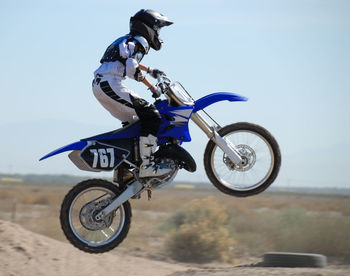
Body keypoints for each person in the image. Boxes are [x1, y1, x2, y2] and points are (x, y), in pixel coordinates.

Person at [92, 9, 173, 178]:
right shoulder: (141, 41)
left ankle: (123, 170)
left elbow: (127, 60)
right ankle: (147, 165)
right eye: (158, 29)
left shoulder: (127, 39)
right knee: (152, 116)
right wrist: (152, 87)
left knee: (135, 123)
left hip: (103, 84)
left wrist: (150, 70)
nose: (158, 34)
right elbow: (132, 69)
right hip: (110, 84)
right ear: (149, 27)